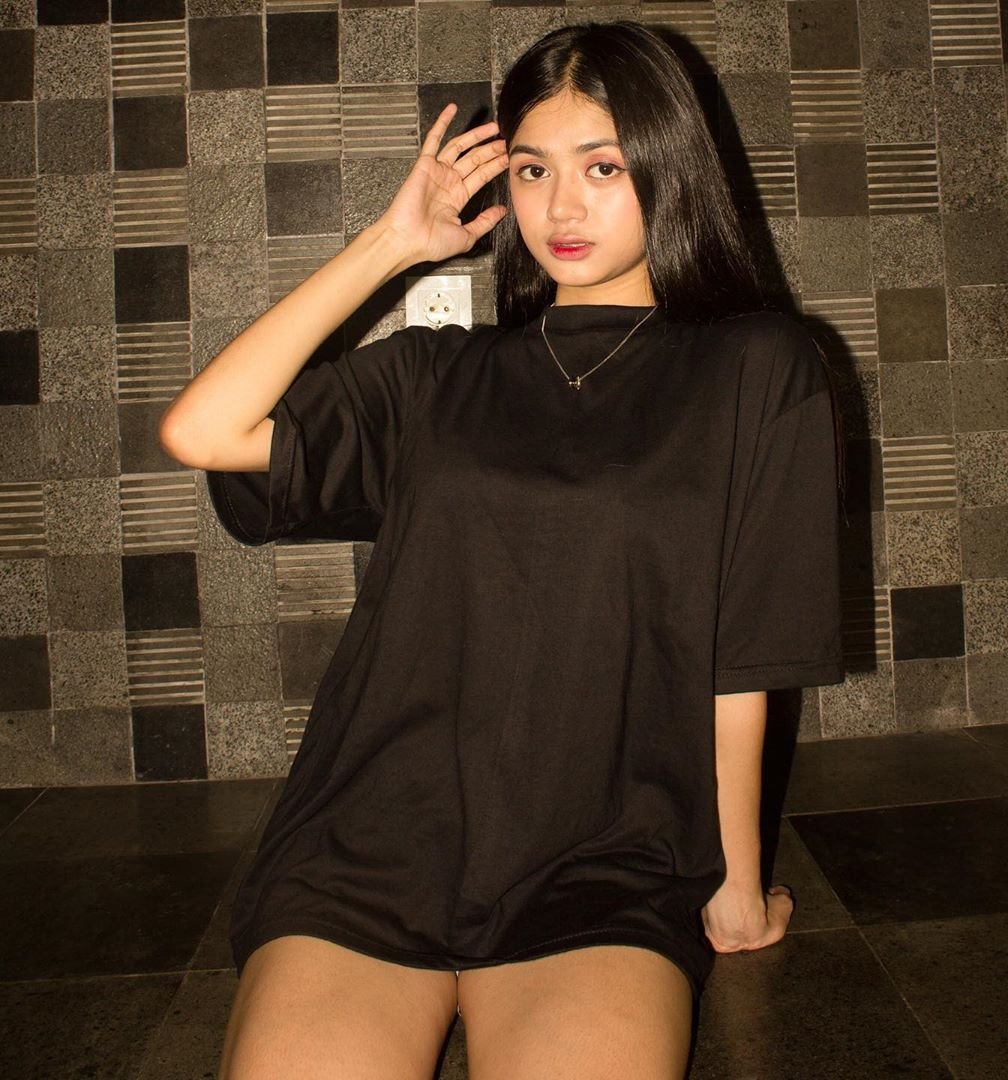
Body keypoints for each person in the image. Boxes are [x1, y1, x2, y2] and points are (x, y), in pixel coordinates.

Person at [160, 20, 843, 1080]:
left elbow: (742, 655)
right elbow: (203, 432)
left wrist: (737, 885)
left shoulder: (758, 367)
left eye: (603, 167)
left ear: (670, 168)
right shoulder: (439, 375)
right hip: (373, 837)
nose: (561, 208)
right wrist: (393, 245)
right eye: (532, 169)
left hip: (603, 857)